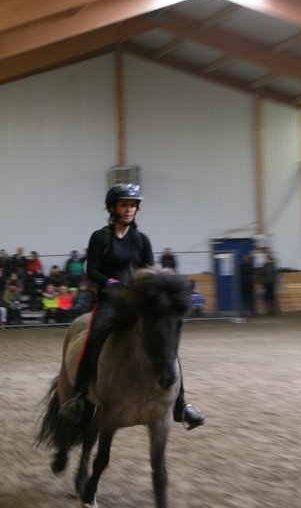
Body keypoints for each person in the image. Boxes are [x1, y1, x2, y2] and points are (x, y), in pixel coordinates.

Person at [60, 184, 205, 430]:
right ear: (112, 208)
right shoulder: (100, 237)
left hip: (137, 302)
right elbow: (91, 270)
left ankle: (181, 403)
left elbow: (150, 270)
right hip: (109, 299)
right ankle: (80, 397)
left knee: (166, 338)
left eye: (132, 205)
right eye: (124, 205)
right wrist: (110, 282)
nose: (129, 209)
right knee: (94, 336)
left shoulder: (141, 239)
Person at [262, 252, 279, 316]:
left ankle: (273, 310)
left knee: (272, 297)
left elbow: (275, 274)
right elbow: (263, 274)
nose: (268, 257)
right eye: (268, 256)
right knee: (268, 297)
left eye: (269, 256)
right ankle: (268, 311)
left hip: (271, 283)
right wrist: (264, 283)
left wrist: (274, 282)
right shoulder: (265, 264)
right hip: (267, 283)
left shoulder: (273, 264)